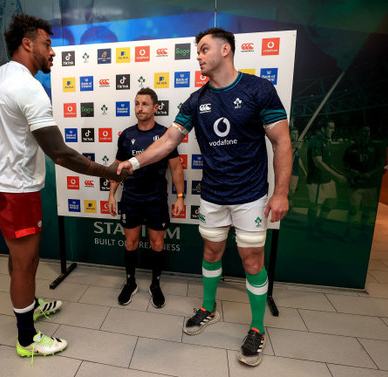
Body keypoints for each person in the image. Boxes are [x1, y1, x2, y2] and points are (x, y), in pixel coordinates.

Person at [116, 27, 292, 367]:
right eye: (197, 50)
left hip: (251, 195)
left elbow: (282, 142)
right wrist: (133, 163)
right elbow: (168, 141)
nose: (198, 55)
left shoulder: (259, 89)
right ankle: (207, 307)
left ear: (225, 50)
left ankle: (257, 328)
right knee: (211, 252)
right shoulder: (197, 100)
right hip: (212, 196)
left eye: (203, 49)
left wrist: (281, 192)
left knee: (252, 260)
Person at [0, 14, 129, 361]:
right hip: (14, 188)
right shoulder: (28, 86)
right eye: (47, 44)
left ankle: (30, 305)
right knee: (25, 262)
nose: (53, 52)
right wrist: (108, 173)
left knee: (19, 259)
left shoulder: (1, 75)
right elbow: (59, 153)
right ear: (27, 44)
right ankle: (27, 339)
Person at [108, 88, 185, 309]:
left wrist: (180, 197)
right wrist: (112, 194)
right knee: (130, 242)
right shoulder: (127, 135)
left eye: (145, 104)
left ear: (155, 108)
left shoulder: (165, 135)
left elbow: (176, 169)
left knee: (157, 243)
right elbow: (117, 168)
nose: (139, 108)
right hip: (131, 198)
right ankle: (130, 282)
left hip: (156, 199)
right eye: (137, 103)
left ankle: (155, 285)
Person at [306, 119, 346, 237]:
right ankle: (312, 231)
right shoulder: (315, 142)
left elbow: (328, 163)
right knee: (315, 205)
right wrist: (337, 176)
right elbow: (318, 163)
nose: (333, 130)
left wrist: (338, 172)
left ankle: (318, 225)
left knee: (332, 202)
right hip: (317, 180)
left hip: (327, 179)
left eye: (333, 128)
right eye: (331, 128)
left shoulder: (326, 141)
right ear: (323, 129)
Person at [343, 126, 382, 239]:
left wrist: (370, 173)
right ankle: (348, 231)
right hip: (356, 185)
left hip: (370, 185)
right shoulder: (351, 149)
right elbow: (345, 166)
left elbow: (380, 166)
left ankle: (363, 232)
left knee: (367, 210)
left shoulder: (374, 148)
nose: (367, 133)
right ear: (359, 133)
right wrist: (351, 171)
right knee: (353, 209)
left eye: (368, 131)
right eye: (364, 131)